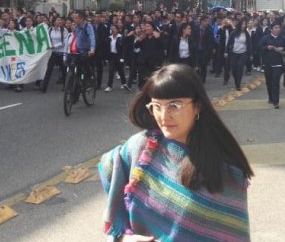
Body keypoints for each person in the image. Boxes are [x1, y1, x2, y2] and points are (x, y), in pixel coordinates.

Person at [98, 64, 253, 242]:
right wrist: (125, 238)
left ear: (198, 106)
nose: (164, 116)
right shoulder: (142, 147)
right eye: (156, 106)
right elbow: (113, 188)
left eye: (175, 105)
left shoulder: (226, 170)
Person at [260, 23, 285, 108]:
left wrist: (282, 49)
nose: (278, 29)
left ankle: (276, 102)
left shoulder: (283, 39)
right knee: (269, 82)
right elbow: (259, 48)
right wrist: (267, 48)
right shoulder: (265, 38)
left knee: (276, 82)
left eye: (279, 28)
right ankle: (271, 97)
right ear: (271, 29)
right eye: (276, 28)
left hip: (278, 64)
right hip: (267, 63)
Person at [225, 20, 251, 91]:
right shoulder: (233, 33)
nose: (243, 26)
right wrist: (226, 52)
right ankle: (236, 80)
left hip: (243, 53)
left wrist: (250, 54)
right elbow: (229, 43)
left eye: (245, 24)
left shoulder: (246, 34)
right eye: (242, 24)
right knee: (234, 69)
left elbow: (249, 44)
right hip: (233, 53)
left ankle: (238, 84)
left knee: (240, 68)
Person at [192, 15, 215, 83]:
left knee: (204, 67)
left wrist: (209, 51)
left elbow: (211, 42)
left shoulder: (209, 30)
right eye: (206, 21)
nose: (207, 23)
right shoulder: (195, 28)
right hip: (196, 50)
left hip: (204, 51)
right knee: (196, 66)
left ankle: (202, 81)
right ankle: (198, 79)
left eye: (208, 21)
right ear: (201, 22)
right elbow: (192, 38)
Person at [105, 24, 127, 91]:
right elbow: (107, 48)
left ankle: (124, 83)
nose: (113, 30)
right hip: (112, 56)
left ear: (117, 30)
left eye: (114, 28)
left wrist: (122, 57)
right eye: (112, 28)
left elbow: (123, 48)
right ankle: (109, 86)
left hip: (119, 55)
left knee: (121, 70)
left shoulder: (121, 37)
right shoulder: (109, 38)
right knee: (111, 71)